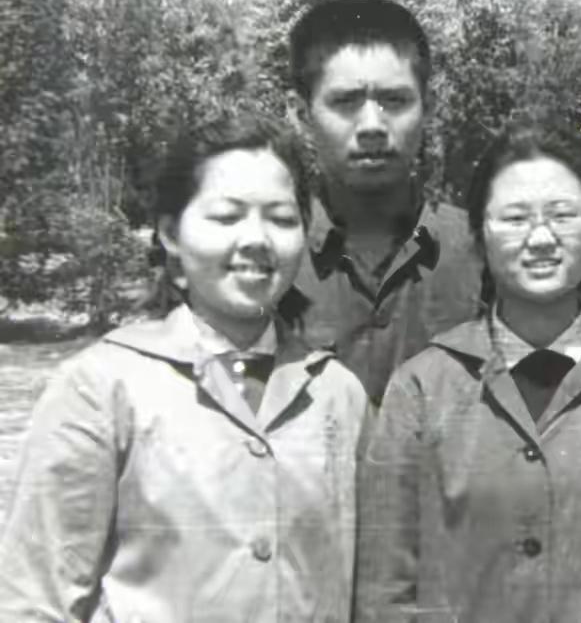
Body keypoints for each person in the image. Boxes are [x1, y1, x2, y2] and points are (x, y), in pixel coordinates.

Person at [0, 114, 369, 621]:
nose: (257, 239)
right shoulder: (102, 387)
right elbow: (35, 598)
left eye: (282, 219)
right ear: (171, 233)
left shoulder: (338, 394)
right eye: (226, 217)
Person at [356, 118, 581, 622]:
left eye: (563, 215)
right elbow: (386, 592)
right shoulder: (421, 389)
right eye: (515, 218)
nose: (542, 238)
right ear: (479, 237)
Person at [287, 0, 482, 405]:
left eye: (394, 100)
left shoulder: (480, 250)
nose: (372, 125)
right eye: (345, 102)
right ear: (302, 115)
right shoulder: (273, 258)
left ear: (428, 107)